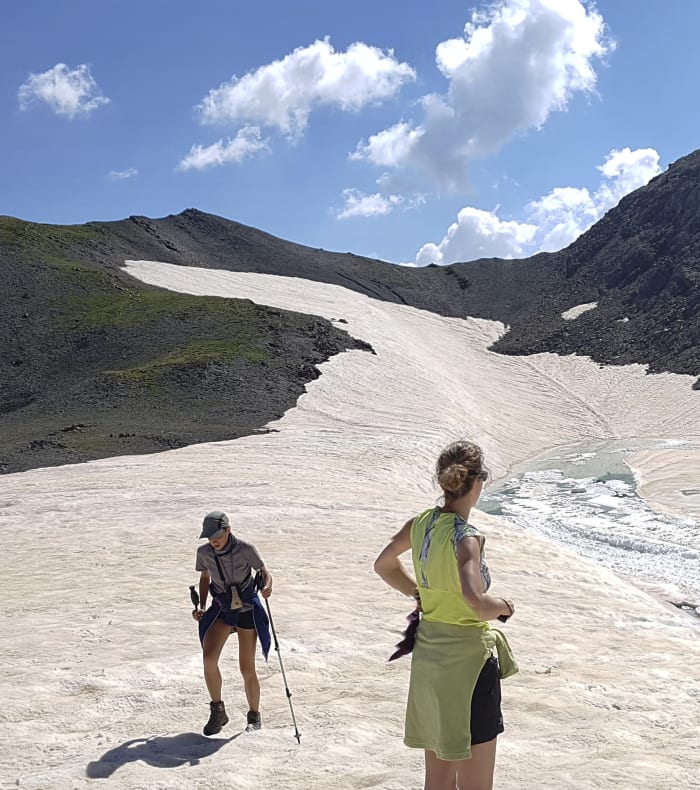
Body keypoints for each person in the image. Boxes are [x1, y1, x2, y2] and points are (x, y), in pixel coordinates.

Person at [374, 440, 518, 790]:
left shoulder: (420, 524)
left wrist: (418, 593)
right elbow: (475, 600)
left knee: (437, 781)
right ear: (479, 482)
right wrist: (503, 606)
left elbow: (383, 564)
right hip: (468, 666)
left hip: (429, 663)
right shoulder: (465, 537)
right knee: (476, 784)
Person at [192, 510, 273, 736]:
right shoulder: (204, 553)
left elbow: (264, 573)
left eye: (217, 535)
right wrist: (201, 606)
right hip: (222, 608)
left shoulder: (245, 549)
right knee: (209, 659)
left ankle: (254, 715)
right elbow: (204, 578)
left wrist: (267, 587)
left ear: (228, 530)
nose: (213, 541)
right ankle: (218, 710)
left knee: (246, 667)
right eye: (209, 537)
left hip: (247, 608)